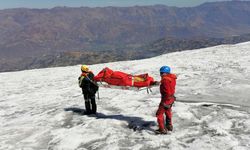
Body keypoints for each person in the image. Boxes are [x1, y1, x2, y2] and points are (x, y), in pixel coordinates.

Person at [155, 66, 177, 134]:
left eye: (161, 73)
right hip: (171, 98)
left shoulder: (165, 80)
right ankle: (169, 126)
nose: (160, 74)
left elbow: (167, 91)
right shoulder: (171, 77)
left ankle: (162, 129)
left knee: (159, 114)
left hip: (166, 99)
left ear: (165, 73)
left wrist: (165, 102)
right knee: (168, 111)